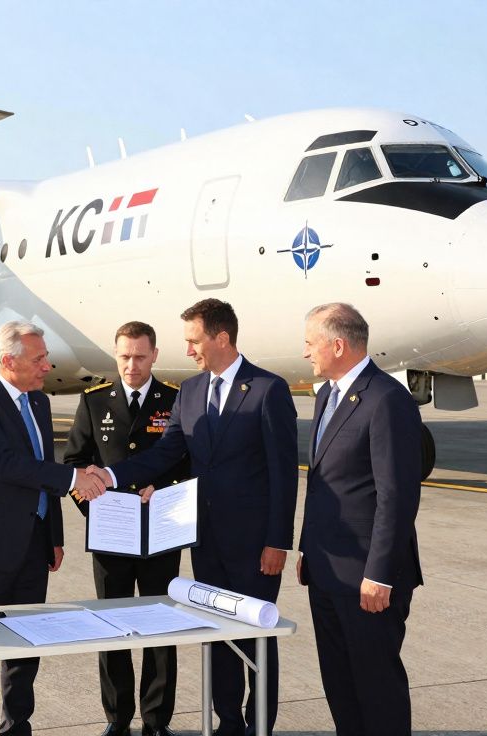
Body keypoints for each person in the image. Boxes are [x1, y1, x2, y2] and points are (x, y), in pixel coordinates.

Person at [92, 299, 298, 736]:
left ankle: (259, 724)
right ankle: (227, 722)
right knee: (217, 634)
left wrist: (278, 541)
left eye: (193, 341)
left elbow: (284, 474)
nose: (188, 351)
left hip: (254, 544)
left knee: (256, 636)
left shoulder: (267, 389)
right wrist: (109, 474)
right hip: (204, 541)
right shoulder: (190, 391)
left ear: (221, 338)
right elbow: (166, 453)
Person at [0, 320, 108, 736]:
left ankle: (17, 727)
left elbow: (43, 466)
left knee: (24, 646)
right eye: (38, 359)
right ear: (8, 361)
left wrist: (53, 536)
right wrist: (76, 481)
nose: (47, 365)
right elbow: (4, 464)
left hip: (33, 545)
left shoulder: (37, 401)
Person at [298, 302, 423, 736]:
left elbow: (397, 496)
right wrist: (306, 551)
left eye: (311, 344)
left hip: (369, 580)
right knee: (340, 683)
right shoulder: (325, 396)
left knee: (377, 687)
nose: (306, 353)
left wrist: (381, 574)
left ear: (338, 344)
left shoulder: (387, 399)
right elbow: (325, 484)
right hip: (328, 573)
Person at [63, 321, 190, 736]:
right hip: (111, 537)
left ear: (154, 355)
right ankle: (117, 718)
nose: (131, 365)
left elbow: (188, 463)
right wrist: (94, 507)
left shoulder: (174, 399)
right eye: (124, 356)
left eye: (139, 356)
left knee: (160, 629)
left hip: (161, 535)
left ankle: (156, 720)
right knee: (111, 628)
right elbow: (74, 463)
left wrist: (165, 487)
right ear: (114, 355)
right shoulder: (95, 401)